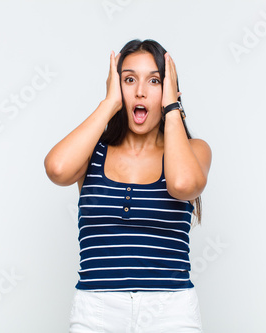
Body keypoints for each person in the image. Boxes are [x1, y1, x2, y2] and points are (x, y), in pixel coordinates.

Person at [44, 39, 212, 332]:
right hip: (96, 309)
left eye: (155, 80)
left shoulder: (193, 150)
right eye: (129, 79)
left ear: (169, 90)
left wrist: (172, 108)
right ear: (116, 86)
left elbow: (183, 185)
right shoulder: (93, 151)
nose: (141, 91)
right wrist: (109, 104)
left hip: (170, 310)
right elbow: (57, 170)